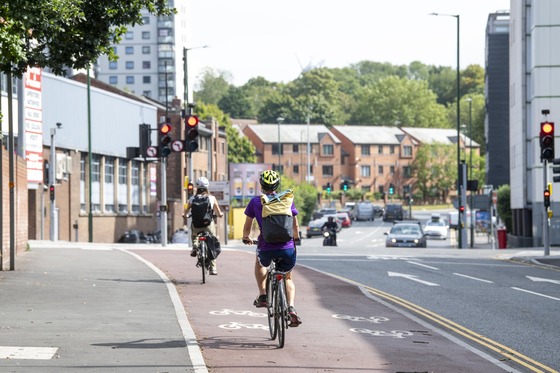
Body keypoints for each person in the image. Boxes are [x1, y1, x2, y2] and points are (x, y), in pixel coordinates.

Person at [242, 170, 302, 327]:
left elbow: (248, 225)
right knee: (287, 277)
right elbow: (295, 224)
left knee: (260, 263)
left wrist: (246, 237)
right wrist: (296, 237)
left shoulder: (256, 202)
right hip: (287, 248)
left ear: (261, 185)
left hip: (266, 247)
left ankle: (263, 295)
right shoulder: (287, 200)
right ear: (277, 185)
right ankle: (291, 308)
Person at [183, 176, 224, 275]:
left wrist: (185, 215)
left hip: (196, 226)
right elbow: (218, 212)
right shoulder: (212, 198)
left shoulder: (192, 198)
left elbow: (186, 211)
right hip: (208, 226)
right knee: (212, 244)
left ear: (196, 187)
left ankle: (195, 246)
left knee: (193, 234)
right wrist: (220, 214)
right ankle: (213, 268)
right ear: (207, 187)